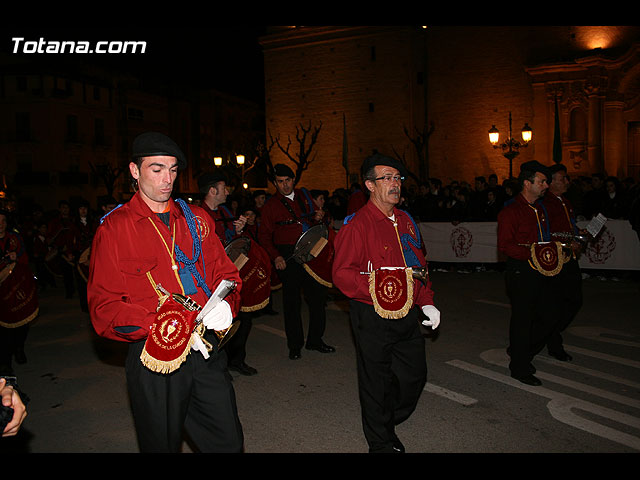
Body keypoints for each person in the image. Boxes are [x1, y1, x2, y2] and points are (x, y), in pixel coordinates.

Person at [87, 132, 244, 453]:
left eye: (172, 170)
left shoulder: (196, 219)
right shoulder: (114, 229)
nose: (167, 179)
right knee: (161, 445)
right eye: (156, 169)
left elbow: (227, 275)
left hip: (205, 350)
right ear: (134, 170)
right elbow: (104, 310)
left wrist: (227, 302)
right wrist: (162, 322)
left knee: (228, 441)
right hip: (154, 356)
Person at [332, 153, 440, 453]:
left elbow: (417, 265)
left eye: (397, 178)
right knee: (375, 381)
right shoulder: (357, 225)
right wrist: (380, 289)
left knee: (414, 377)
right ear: (370, 185)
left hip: (406, 313)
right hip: (371, 314)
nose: (395, 184)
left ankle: (385, 420)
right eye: (387, 178)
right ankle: (380, 442)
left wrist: (426, 301)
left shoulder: (405, 221)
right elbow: (341, 275)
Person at [258, 163, 335, 360]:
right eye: (280, 182)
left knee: (317, 299)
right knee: (292, 303)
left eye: (288, 181)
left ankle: (315, 340)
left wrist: (320, 216)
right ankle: (295, 345)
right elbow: (265, 235)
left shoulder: (305, 196)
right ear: (275, 183)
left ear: (294, 180)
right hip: (288, 255)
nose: (284, 185)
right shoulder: (270, 206)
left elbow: (320, 220)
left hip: (310, 251)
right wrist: (276, 256)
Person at [497, 160, 557, 386]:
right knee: (523, 320)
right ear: (527, 183)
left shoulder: (539, 209)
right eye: (541, 181)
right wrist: (533, 252)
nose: (545, 186)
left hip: (542, 269)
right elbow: (505, 245)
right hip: (521, 270)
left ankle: (521, 351)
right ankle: (519, 367)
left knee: (549, 314)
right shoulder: (511, 211)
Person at [540, 164, 583, 361]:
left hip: (570, 258)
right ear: (551, 182)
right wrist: (566, 242)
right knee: (556, 303)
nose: (567, 182)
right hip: (556, 259)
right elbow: (545, 233)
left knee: (574, 300)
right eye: (562, 178)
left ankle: (548, 332)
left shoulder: (565, 202)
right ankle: (552, 340)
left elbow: (568, 226)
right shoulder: (544, 204)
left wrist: (578, 235)